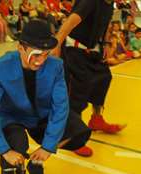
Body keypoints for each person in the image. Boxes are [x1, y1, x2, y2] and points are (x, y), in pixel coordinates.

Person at [0, 19, 92, 174]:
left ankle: (36, 162)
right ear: (20, 48)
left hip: (40, 115)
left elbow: (61, 106)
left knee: (79, 132)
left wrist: (48, 147)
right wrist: (4, 150)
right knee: (18, 144)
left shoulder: (56, 66)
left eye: (46, 54)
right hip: (13, 117)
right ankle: (7, 167)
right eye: (37, 54)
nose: (41, 61)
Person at [52, 0, 126, 156]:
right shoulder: (90, 1)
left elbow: (104, 26)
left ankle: (96, 119)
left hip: (92, 50)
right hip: (74, 50)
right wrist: (56, 44)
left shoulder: (108, 4)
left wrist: (105, 43)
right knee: (78, 92)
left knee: (103, 77)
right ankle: (74, 136)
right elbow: (70, 21)